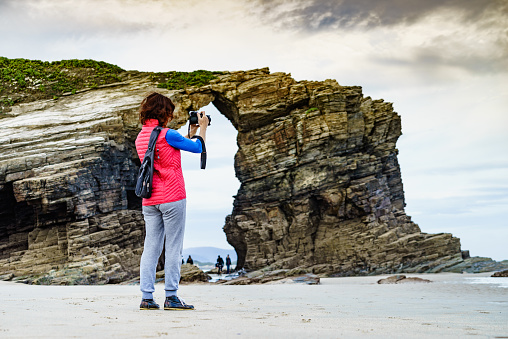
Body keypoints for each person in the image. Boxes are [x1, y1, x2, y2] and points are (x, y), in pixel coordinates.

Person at [135, 92, 209, 311]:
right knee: (174, 248)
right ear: (163, 113)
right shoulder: (168, 134)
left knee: (151, 247)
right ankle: (171, 297)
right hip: (173, 197)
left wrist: (190, 133)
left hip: (150, 199)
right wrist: (202, 128)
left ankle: (147, 298)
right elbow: (197, 148)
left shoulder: (141, 136)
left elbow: (162, 152)